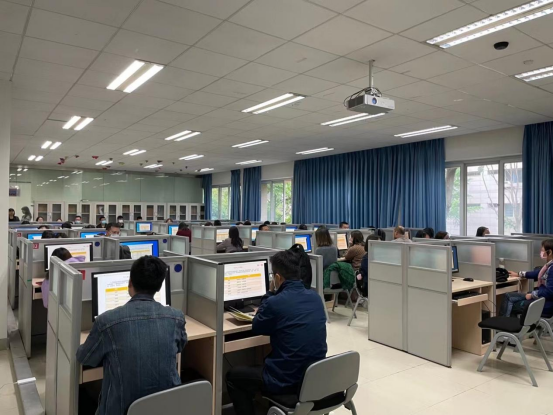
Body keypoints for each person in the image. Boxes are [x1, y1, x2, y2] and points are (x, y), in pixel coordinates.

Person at [76, 256, 187, 415]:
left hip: (122, 409)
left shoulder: (106, 322)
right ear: (160, 286)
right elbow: (180, 346)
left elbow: (85, 358)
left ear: (130, 283)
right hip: (166, 407)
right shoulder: (176, 317)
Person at [226, 250, 327, 415]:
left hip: (286, 380)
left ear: (278, 278)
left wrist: (270, 293)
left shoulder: (275, 302)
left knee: (233, 377)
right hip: (313, 377)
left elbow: (257, 326)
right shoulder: (315, 298)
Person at [500, 239, 553, 317]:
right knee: (508, 296)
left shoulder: (552, 268)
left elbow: (550, 292)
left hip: (545, 305)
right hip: (544, 300)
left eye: (542, 250)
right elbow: (538, 273)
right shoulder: (549, 266)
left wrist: (532, 295)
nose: (541, 252)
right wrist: (518, 274)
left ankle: (505, 324)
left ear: (550, 252)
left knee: (512, 304)